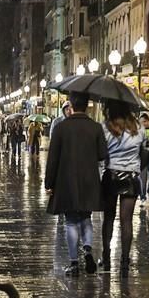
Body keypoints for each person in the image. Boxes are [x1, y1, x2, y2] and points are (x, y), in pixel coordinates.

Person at [45, 92, 108, 276]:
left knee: (71, 221)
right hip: (89, 179)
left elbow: (52, 159)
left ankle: (74, 262)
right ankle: (87, 249)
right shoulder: (96, 128)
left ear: (71, 105)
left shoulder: (61, 128)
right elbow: (102, 154)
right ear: (87, 105)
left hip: (66, 181)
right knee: (86, 218)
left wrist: (49, 182)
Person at [100, 100, 144, 276]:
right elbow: (143, 150)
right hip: (131, 177)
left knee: (109, 219)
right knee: (126, 221)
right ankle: (125, 260)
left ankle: (106, 256)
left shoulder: (106, 127)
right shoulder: (138, 128)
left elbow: (101, 152)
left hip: (111, 176)